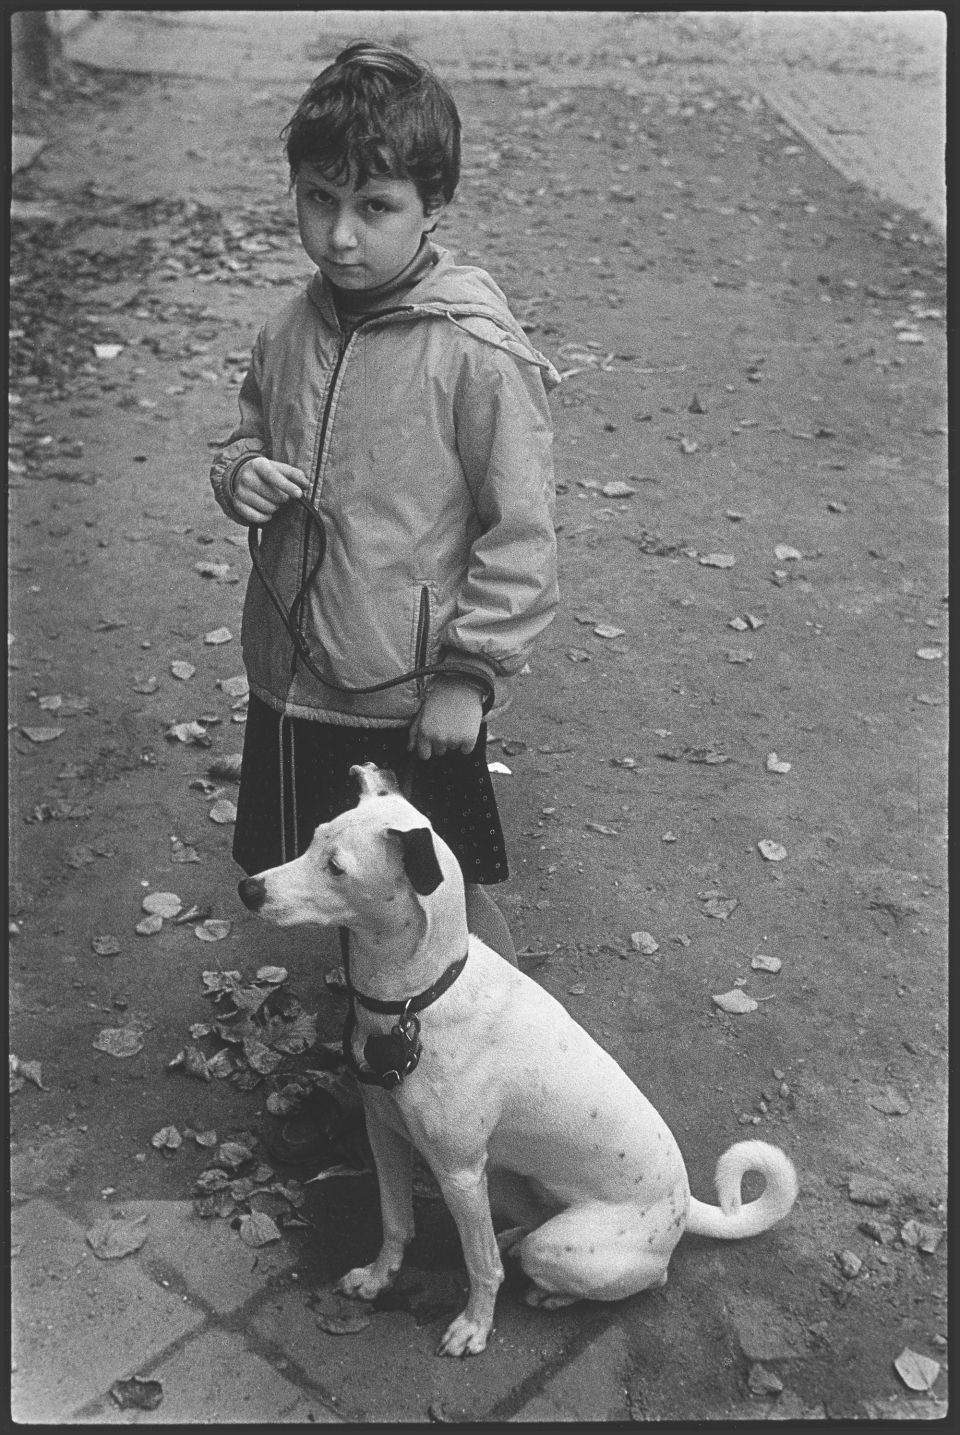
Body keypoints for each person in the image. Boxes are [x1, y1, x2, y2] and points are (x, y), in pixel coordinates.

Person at [210, 40, 559, 964]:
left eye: (375, 207)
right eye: (319, 200)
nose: (340, 235)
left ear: (432, 204)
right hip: (293, 677)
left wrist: (468, 675)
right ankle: (370, 1033)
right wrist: (239, 472)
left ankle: (490, 1035)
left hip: (405, 695)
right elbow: (246, 434)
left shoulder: (474, 350)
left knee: (444, 894)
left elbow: (520, 531)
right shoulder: (286, 331)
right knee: (325, 871)